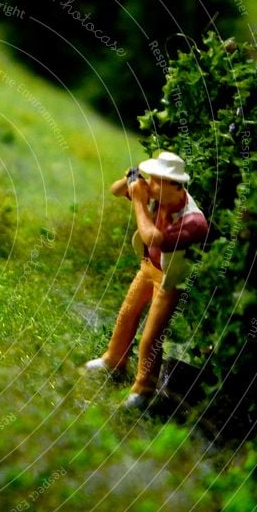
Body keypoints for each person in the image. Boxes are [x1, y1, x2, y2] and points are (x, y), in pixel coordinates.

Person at [85, 151, 208, 409]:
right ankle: (113, 360)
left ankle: (143, 388)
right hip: (147, 267)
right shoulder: (156, 194)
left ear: (174, 185)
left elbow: (153, 238)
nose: (150, 185)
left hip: (169, 281)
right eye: (150, 179)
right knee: (126, 314)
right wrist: (130, 180)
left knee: (151, 337)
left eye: (155, 181)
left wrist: (139, 201)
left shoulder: (194, 221)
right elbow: (116, 190)